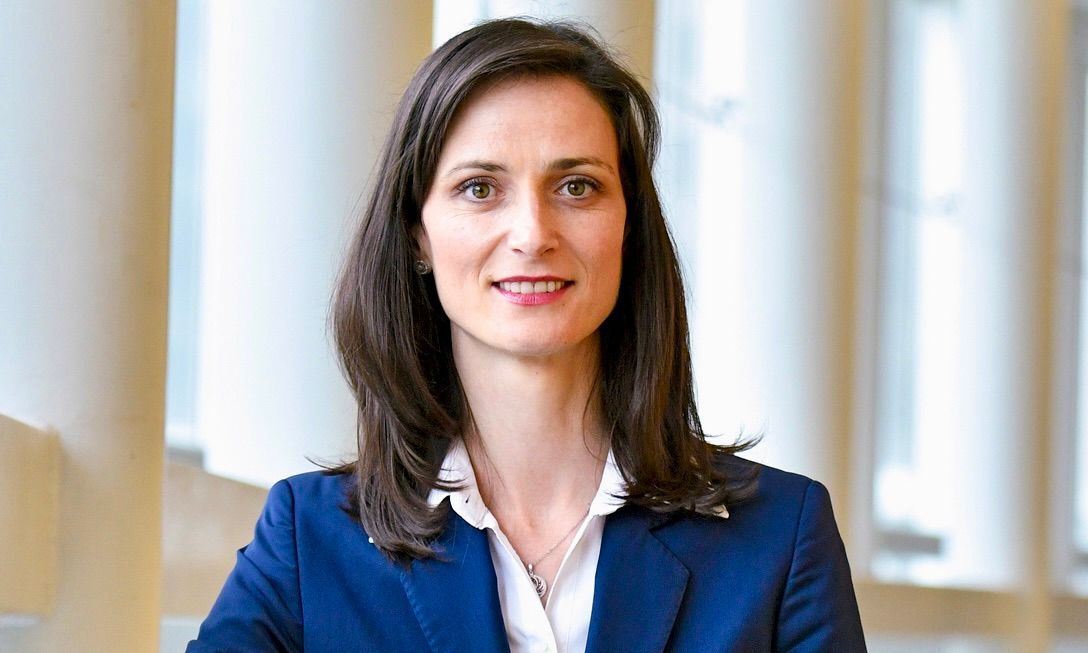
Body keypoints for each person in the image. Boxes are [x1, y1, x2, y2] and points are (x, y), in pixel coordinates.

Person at [188, 18, 866, 653]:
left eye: (577, 185)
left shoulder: (781, 537)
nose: (533, 234)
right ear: (418, 235)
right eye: (480, 188)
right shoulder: (310, 540)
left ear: (628, 226)